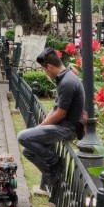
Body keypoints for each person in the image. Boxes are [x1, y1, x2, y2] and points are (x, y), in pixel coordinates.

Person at [17, 48, 85, 194]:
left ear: (49, 67)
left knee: (22, 137)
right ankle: (53, 176)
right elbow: (55, 109)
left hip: (67, 129)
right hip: (59, 126)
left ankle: (55, 162)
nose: (45, 73)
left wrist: (39, 128)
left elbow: (60, 113)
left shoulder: (68, 82)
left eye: (44, 70)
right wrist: (40, 127)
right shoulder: (64, 79)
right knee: (28, 152)